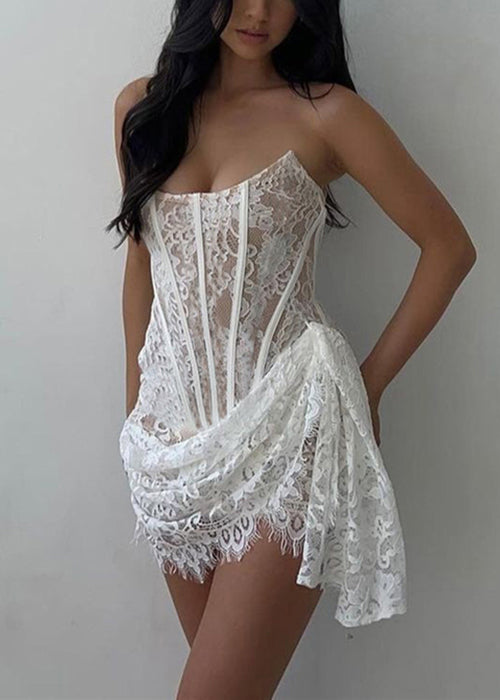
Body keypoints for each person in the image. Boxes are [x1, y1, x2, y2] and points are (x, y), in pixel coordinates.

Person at [106, 1, 476, 697]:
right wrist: (133, 422)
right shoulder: (142, 110)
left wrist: (367, 387)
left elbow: (449, 249)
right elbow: (142, 265)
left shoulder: (327, 115)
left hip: (288, 440)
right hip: (170, 452)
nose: (260, 11)